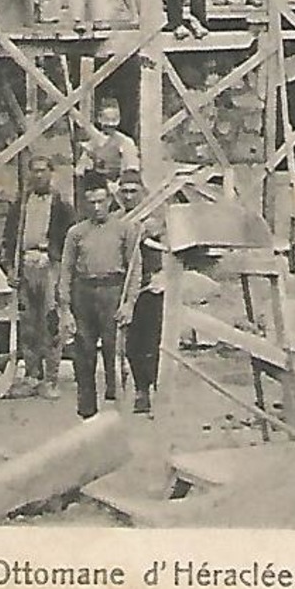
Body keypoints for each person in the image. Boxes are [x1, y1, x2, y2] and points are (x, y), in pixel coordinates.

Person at [56, 173, 136, 419]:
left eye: (101, 201)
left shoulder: (125, 229)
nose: (97, 207)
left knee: (116, 352)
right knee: (84, 353)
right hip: (84, 294)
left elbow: (135, 268)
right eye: (91, 203)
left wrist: (129, 303)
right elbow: (66, 270)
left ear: (110, 200)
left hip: (113, 292)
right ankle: (87, 411)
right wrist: (66, 309)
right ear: (84, 203)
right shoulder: (76, 233)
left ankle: (117, 408)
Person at [6, 152, 74, 399]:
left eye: (43, 170)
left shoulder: (62, 207)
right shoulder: (21, 205)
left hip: (49, 266)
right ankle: (32, 376)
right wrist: (11, 270)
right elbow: (9, 239)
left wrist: (62, 271)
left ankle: (51, 378)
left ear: (51, 174)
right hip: (26, 266)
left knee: (50, 323)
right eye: (34, 170)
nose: (38, 175)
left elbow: (70, 244)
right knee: (28, 326)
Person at [114, 167, 167, 414]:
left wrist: (144, 230)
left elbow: (159, 233)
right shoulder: (116, 220)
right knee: (131, 346)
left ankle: (157, 390)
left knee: (152, 342)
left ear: (142, 192)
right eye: (123, 192)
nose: (128, 196)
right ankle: (141, 390)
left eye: (133, 192)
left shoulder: (154, 219)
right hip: (126, 289)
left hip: (151, 287)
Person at [76, 98, 141, 186]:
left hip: (118, 185)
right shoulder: (93, 142)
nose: (110, 124)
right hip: (98, 185)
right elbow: (80, 169)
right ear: (99, 118)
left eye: (114, 120)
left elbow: (131, 168)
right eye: (106, 120)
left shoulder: (125, 142)